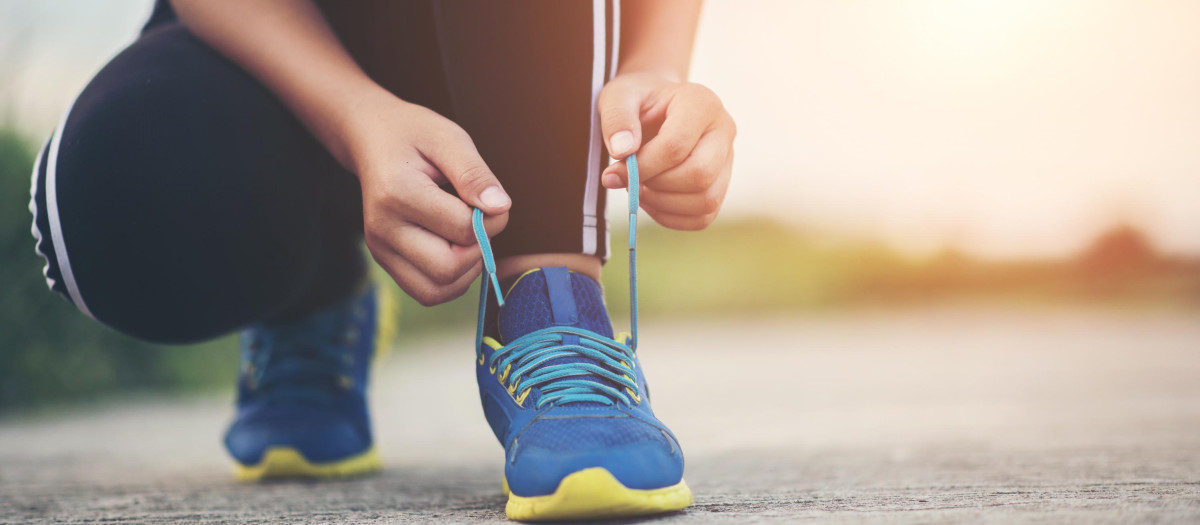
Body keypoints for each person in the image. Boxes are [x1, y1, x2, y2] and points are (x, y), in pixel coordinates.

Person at [29, 0, 734, 520]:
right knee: (110, 190)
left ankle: (551, 301)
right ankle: (314, 292)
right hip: (285, 33)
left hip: (510, 34)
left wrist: (654, 68)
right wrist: (356, 115)